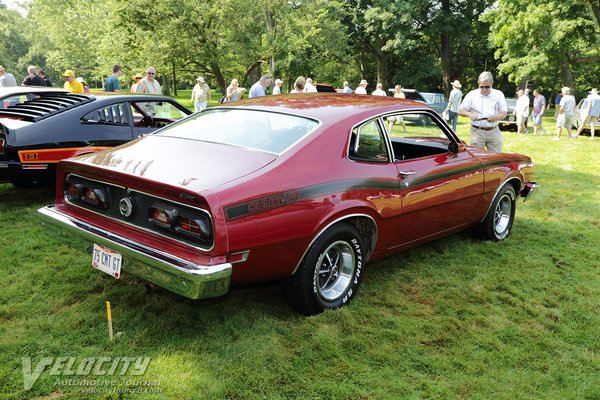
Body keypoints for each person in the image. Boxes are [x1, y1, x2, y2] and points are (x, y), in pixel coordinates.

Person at [458, 71, 507, 153]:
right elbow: (460, 110)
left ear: (492, 83)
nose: (484, 90)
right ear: (478, 83)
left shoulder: (498, 94)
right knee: (476, 158)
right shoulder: (472, 95)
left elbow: (504, 113)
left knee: (495, 159)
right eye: (481, 87)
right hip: (477, 132)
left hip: (494, 131)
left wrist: (496, 117)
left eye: (487, 87)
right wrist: (470, 114)